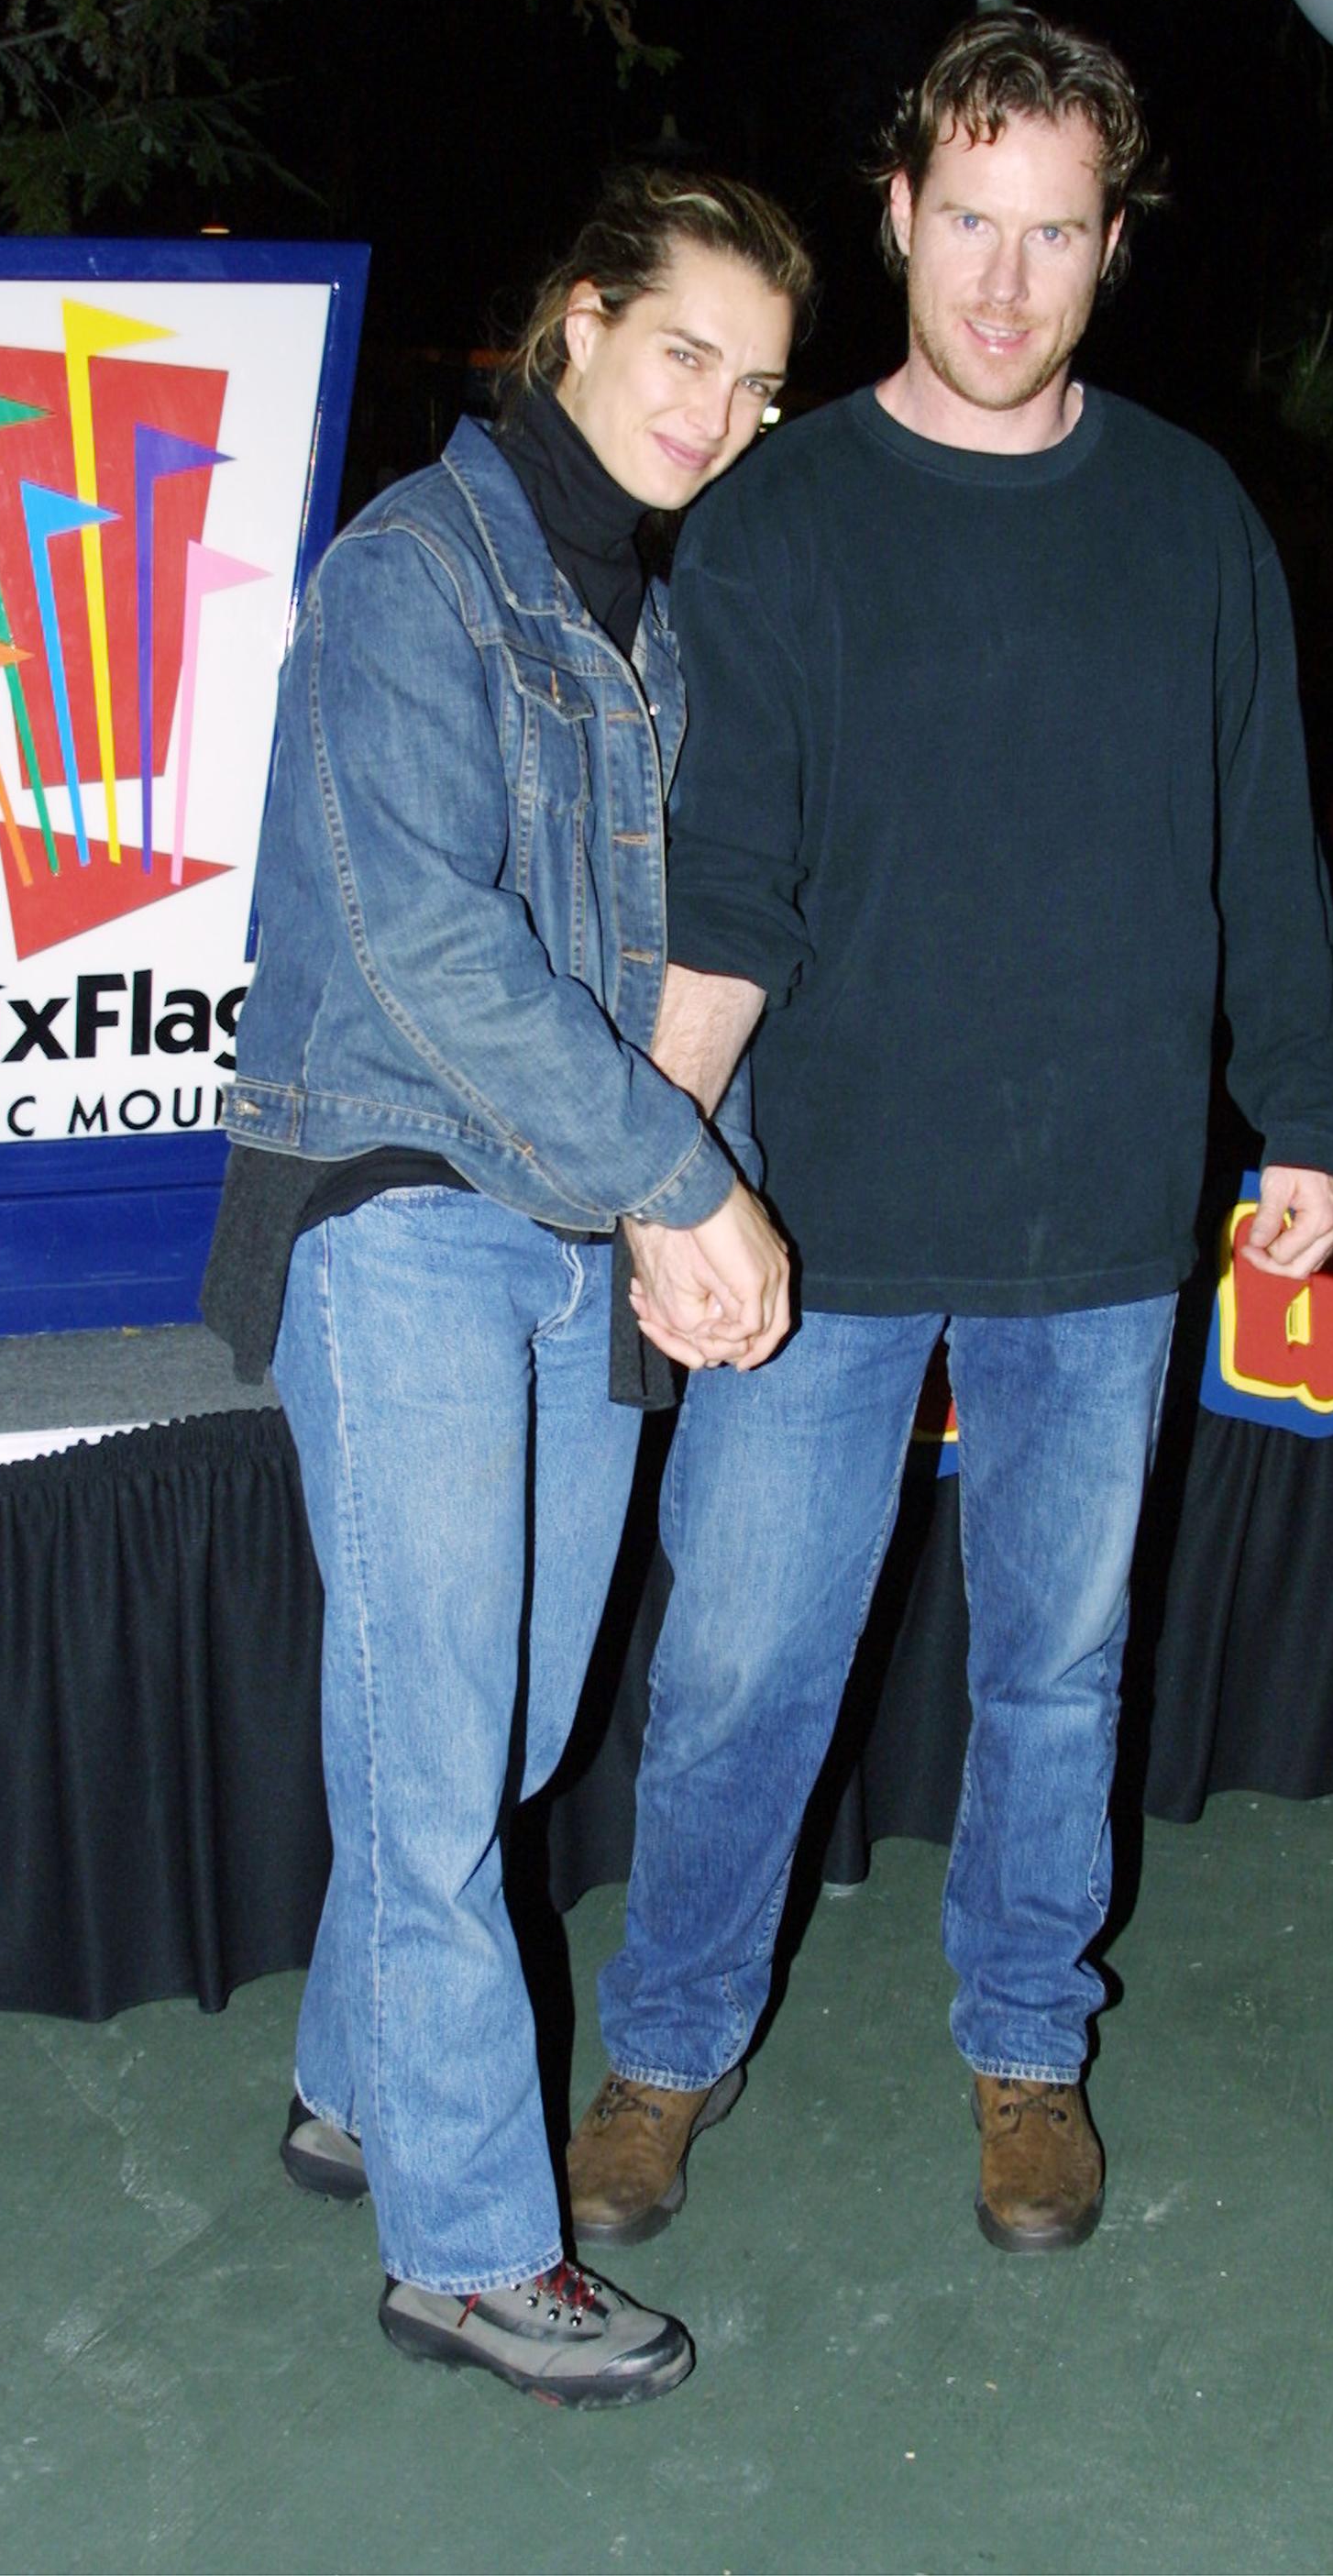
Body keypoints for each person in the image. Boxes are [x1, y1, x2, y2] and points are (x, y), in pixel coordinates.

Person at [566, 12, 1333, 2261]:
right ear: (898, 213)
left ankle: (1030, 2048)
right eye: (969, 225)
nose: (1006, 283)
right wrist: (661, 1163)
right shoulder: (785, 511)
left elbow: (1257, 847)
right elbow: (724, 889)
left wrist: (1306, 1106)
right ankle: (665, 2047)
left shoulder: (1198, 521)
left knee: (1059, 1668)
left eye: (1058, 235)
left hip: (1104, 1213)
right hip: (814, 1214)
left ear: (1113, 248)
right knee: (740, 1665)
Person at [201, 168, 809, 2404]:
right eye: (686, 358)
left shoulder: (654, 620)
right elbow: (430, 945)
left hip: (573, 1223)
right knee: (442, 1741)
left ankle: (361, 2078)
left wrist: (684, 1186)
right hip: (396, 1207)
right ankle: (466, 2244)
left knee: (510, 1732)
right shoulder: (408, 573)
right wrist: (685, 1179)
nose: (720, 417)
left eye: (757, 390)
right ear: (577, 323)